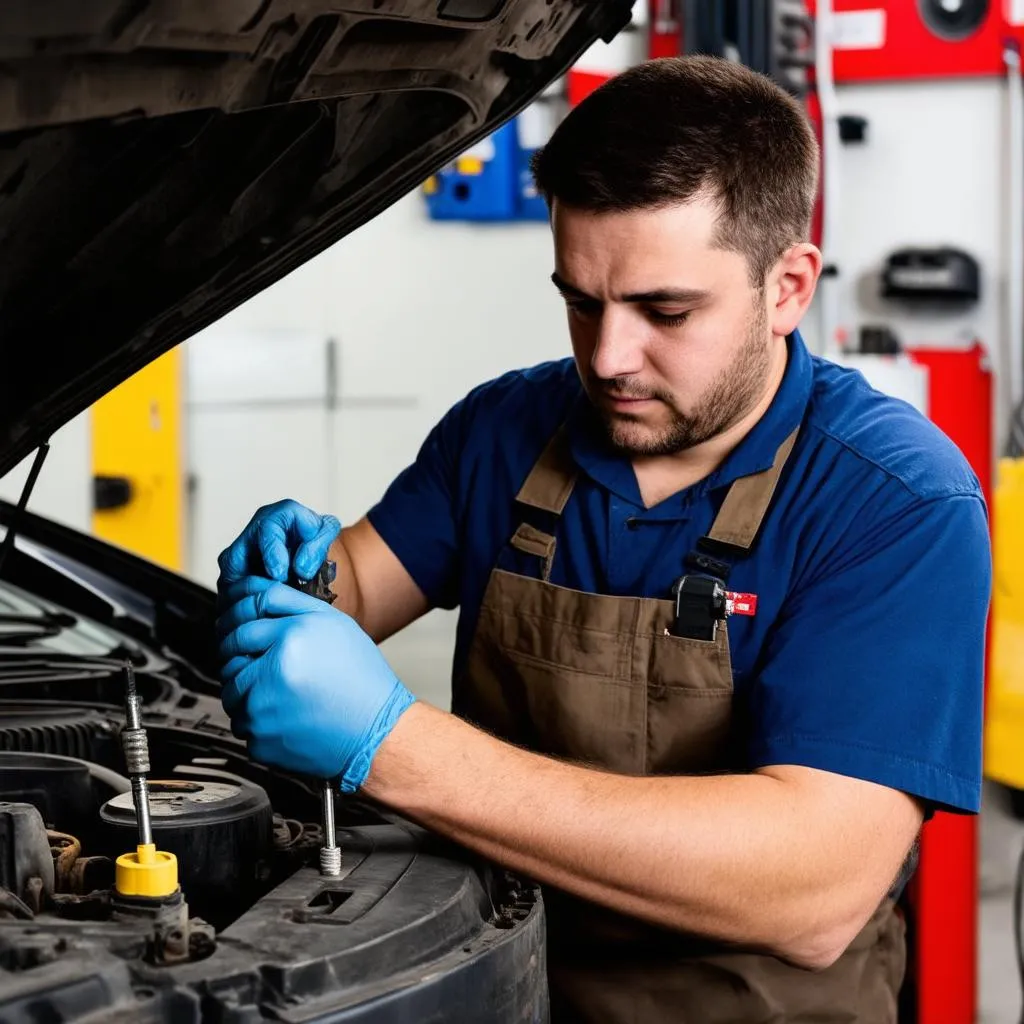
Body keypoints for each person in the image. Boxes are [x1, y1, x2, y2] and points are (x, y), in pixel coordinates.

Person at [214, 55, 990, 1022]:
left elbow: (816, 888)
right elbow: (358, 586)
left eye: (666, 312)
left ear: (787, 287)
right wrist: (290, 587)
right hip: (500, 992)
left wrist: (396, 747)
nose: (610, 357)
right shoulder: (503, 432)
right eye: (581, 302)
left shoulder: (895, 502)